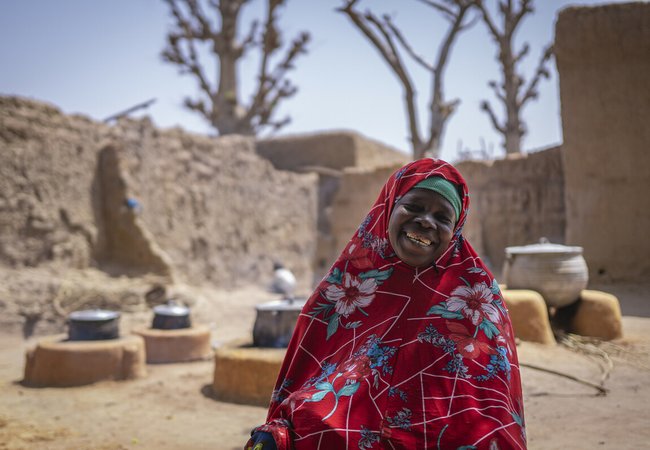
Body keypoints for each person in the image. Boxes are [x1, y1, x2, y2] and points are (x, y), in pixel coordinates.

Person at [245, 158, 526, 450]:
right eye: (414, 207)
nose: (426, 222)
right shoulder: (344, 291)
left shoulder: (476, 301)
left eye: (442, 217)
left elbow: (491, 420)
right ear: (388, 208)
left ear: (455, 230)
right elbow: (301, 389)